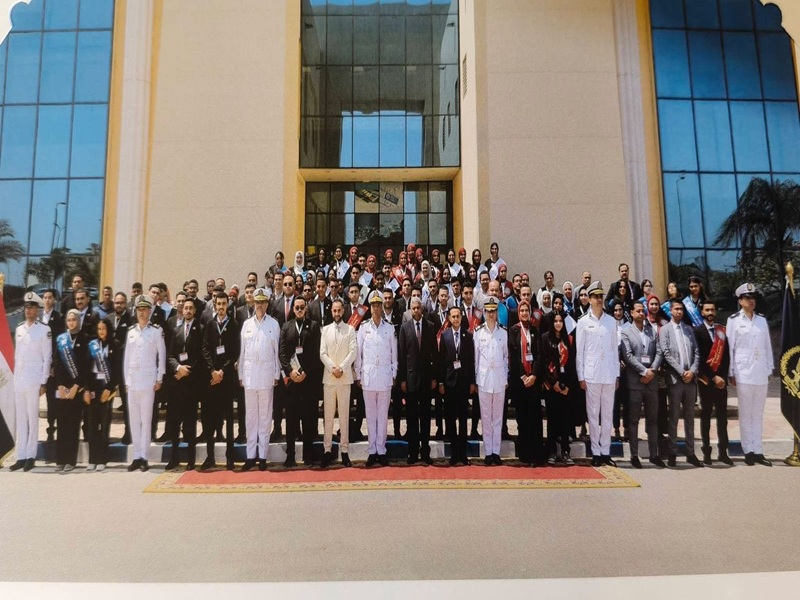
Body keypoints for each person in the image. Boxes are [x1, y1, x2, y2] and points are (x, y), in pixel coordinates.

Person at [727, 283, 774, 467]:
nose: (751, 301)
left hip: (760, 371)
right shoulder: (734, 321)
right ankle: (748, 450)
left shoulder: (761, 320)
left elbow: (767, 346)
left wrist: (769, 367)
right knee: (746, 413)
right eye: (747, 298)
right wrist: (730, 371)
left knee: (758, 413)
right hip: (743, 371)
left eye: (753, 298)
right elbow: (730, 348)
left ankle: (759, 450)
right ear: (740, 301)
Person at [576, 282, 619, 467]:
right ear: (589, 300)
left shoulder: (611, 321)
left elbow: (614, 350)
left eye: (601, 296)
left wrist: (617, 374)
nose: (599, 300)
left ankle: (605, 451)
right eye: (595, 297)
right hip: (591, 374)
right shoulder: (583, 322)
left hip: (608, 373)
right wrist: (581, 376)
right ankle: (595, 452)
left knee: (607, 414)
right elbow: (580, 352)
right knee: (593, 414)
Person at [238, 288, 282, 472]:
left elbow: (276, 352)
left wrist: (276, 374)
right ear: (253, 303)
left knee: (265, 417)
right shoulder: (247, 325)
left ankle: (262, 456)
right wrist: (241, 374)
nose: (260, 305)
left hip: (265, 377)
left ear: (267, 304)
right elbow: (242, 353)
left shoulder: (273, 324)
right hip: (249, 377)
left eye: (263, 302)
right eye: (257, 302)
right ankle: (250, 456)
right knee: (251, 418)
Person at [354, 290, 398, 467]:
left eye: (379, 305)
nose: (376, 308)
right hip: (369, 377)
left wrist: (394, 373)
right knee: (370, 416)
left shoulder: (389, 328)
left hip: (385, 377)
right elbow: (359, 353)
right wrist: (358, 374)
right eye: (373, 305)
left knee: (382, 415)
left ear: (382, 307)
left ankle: (382, 450)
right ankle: (372, 450)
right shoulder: (364, 328)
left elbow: (394, 353)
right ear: (370, 307)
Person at [9, 292, 52, 472]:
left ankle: (31, 456)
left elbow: (47, 358)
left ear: (37, 309)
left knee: (33, 419)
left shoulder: (44, 330)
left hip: (34, 379)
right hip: (20, 379)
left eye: (32, 307)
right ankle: (21, 455)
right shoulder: (19, 329)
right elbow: (18, 356)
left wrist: (43, 381)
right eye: (26, 307)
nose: (28, 310)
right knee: (21, 419)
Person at [123, 295, 167, 472]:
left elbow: (161, 355)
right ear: (136, 312)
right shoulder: (131, 332)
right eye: (139, 310)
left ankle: (145, 458)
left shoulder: (156, 331)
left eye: (145, 309)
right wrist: (126, 380)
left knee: (146, 419)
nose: (142, 313)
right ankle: (136, 456)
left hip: (148, 380)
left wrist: (159, 377)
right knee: (134, 420)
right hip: (133, 380)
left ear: (150, 311)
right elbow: (126, 358)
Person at [620, 300, 664, 468]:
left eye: (642, 310)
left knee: (653, 419)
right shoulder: (626, 332)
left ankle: (654, 454)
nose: (641, 313)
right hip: (636, 382)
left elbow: (659, 351)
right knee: (633, 420)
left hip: (651, 381)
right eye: (637, 311)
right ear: (631, 313)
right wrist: (643, 371)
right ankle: (634, 455)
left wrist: (652, 370)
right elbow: (628, 355)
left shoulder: (651, 331)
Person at [279, 294, 322, 467]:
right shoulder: (286, 327)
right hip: (292, 382)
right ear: (293, 309)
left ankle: (308, 455)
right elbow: (282, 353)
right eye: (296, 308)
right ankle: (290, 455)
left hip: (308, 380)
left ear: (306, 308)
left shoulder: (313, 326)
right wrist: (291, 372)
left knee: (309, 420)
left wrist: (304, 371)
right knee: (291, 421)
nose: (299, 310)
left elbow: (316, 353)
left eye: (302, 307)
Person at [659, 298, 702, 467]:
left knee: (690, 417)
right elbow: (666, 353)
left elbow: (697, 352)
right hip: (676, 379)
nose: (679, 312)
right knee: (674, 418)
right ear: (670, 311)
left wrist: (692, 371)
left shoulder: (689, 329)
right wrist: (681, 371)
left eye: (681, 309)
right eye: (676, 309)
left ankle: (691, 453)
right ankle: (673, 452)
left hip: (690, 380)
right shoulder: (665, 330)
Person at [200, 292, 240, 471]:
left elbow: (234, 352)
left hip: (226, 379)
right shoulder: (210, 325)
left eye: (224, 303)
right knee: (210, 420)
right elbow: (206, 349)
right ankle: (210, 457)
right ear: (214, 305)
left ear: (228, 305)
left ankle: (230, 458)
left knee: (229, 421)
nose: (221, 307)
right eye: (219, 304)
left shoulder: (233, 325)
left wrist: (222, 371)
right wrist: (212, 371)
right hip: (212, 380)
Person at [398, 296, 438, 465]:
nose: (416, 311)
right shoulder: (404, 328)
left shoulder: (430, 327)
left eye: (418, 308)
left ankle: (425, 451)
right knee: (412, 418)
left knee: (425, 418)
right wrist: (402, 379)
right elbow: (401, 355)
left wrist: (435, 377)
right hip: (411, 378)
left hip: (426, 379)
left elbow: (434, 355)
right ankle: (412, 452)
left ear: (422, 309)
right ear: (409, 310)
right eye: (413, 308)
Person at [165, 299, 204, 471]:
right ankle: (174, 458)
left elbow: (202, 355)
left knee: (190, 425)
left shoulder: (201, 329)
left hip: (192, 384)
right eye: (185, 308)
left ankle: (190, 458)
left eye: (190, 308)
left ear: (195, 311)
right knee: (174, 424)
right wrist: (178, 368)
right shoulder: (176, 330)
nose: (187, 310)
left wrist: (188, 370)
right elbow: (170, 355)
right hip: (176, 384)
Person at [319, 299, 357, 468]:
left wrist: (341, 367)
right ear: (331, 312)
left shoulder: (350, 329)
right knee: (328, 416)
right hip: (329, 378)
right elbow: (322, 353)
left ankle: (345, 451)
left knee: (343, 416)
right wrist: (332, 367)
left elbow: (353, 351)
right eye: (334, 310)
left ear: (343, 311)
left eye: (339, 310)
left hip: (344, 378)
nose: (336, 313)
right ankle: (327, 450)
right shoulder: (325, 330)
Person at [694, 299, 733, 466]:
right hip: (706, 381)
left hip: (721, 382)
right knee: (706, 417)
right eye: (707, 310)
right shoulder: (697, 331)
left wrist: (722, 376)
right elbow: (699, 357)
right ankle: (707, 451)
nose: (710, 313)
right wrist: (713, 376)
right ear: (702, 312)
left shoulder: (721, 331)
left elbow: (726, 357)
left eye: (712, 310)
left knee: (722, 418)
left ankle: (723, 452)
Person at [438, 304, 476, 466]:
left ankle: (463, 454)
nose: (455, 319)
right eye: (453, 316)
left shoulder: (468, 336)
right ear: (449, 318)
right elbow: (441, 362)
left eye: (458, 316)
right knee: (451, 419)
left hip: (464, 383)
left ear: (462, 318)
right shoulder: (444, 336)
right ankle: (454, 454)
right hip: (449, 383)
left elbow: (471, 361)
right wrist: (440, 382)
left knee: (463, 419)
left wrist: (472, 382)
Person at [53, 309, 89, 472]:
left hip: (76, 389)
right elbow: (57, 363)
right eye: (69, 320)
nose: (71, 322)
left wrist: (76, 386)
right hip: (62, 389)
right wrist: (60, 385)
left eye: (74, 319)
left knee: (73, 425)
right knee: (62, 425)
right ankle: (61, 459)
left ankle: (71, 461)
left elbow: (86, 366)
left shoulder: (85, 339)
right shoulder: (61, 339)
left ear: (79, 321)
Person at [473, 297, 508, 465]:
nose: (491, 314)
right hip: (484, 379)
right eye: (488, 311)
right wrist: (476, 379)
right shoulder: (478, 333)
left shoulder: (503, 332)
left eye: (494, 310)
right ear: (484, 313)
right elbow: (475, 359)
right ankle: (488, 452)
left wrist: (506, 377)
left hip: (499, 379)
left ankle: (496, 451)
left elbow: (506, 357)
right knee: (486, 417)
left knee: (498, 418)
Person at [507, 300, 543, 466]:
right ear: (518, 313)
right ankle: (524, 454)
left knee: (534, 419)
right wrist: (523, 376)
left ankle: (536, 455)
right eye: (521, 311)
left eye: (526, 310)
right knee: (522, 418)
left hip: (533, 382)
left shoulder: (535, 329)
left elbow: (538, 355)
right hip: (520, 382)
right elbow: (514, 356)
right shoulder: (513, 330)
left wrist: (534, 375)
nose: (524, 313)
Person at [541, 311, 577, 466]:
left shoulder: (568, 340)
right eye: (555, 321)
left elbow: (572, 365)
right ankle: (552, 451)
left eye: (560, 321)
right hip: (551, 386)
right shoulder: (545, 339)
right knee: (552, 420)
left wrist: (567, 386)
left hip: (565, 386)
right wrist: (553, 383)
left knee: (565, 420)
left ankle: (565, 451)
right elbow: (542, 362)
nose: (558, 323)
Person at [85, 319, 121, 471]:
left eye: (103, 328)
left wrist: (110, 388)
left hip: (107, 388)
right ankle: (92, 458)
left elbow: (117, 369)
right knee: (92, 424)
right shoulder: (92, 345)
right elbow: (86, 369)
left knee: (104, 425)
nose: (101, 331)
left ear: (109, 329)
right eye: (99, 328)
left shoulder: (115, 344)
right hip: (93, 387)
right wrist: (87, 389)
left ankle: (102, 459)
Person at [41, 288, 63, 443]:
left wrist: (54, 365)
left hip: (52, 367)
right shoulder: (38, 318)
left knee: (52, 399)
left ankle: (52, 429)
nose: (47, 300)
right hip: (38, 365)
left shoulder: (59, 318)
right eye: (45, 297)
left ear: (54, 300)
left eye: (50, 297)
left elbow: (58, 343)